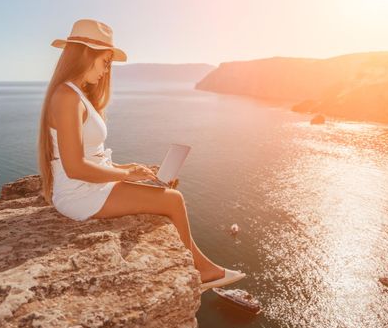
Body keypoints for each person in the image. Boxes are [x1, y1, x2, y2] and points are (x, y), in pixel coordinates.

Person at [38, 18, 245, 291]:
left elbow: (93, 156)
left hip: (90, 187)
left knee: (160, 189)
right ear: (86, 54)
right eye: (105, 62)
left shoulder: (76, 94)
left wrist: (131, 168)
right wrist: (125, 174)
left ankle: (200, 265)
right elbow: (75, 167)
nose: (106, 71)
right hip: (79, 194)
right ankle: (202, 271)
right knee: (172, 201)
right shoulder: (67, 97)